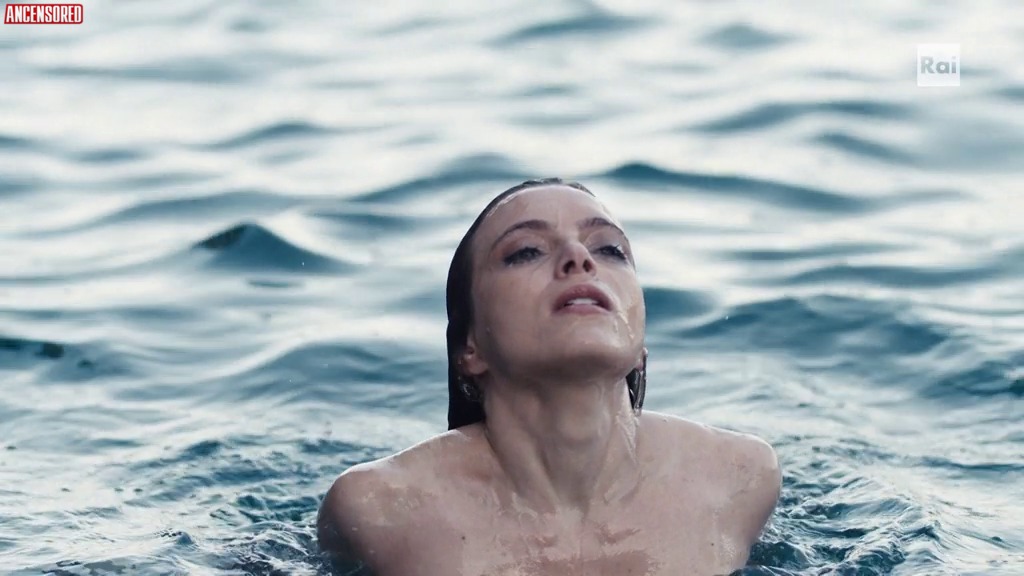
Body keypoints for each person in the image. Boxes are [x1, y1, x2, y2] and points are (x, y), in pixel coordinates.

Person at [317, 178, 781, 576]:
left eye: (610, 249)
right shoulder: (381, 513)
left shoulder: (739, 480)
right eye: (525, 252)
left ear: (640, 343)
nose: (579, 257)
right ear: (470, 347)